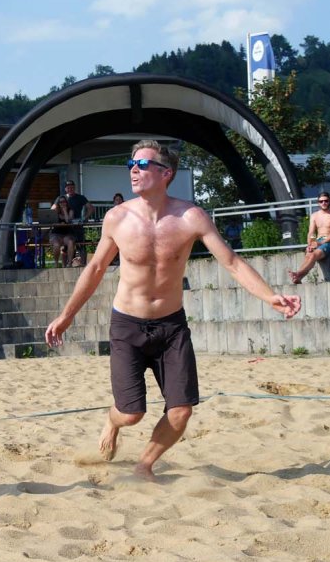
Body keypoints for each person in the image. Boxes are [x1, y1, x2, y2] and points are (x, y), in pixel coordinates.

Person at [45, 139, 301, 480]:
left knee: (180, 412)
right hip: (128, 326)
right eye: (130, 165)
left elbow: (232, 262)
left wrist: (270, 297)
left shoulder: (191, 217)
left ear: (166, 174)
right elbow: (93, 270)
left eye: (143, 164)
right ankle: (112, 420)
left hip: (171, 328)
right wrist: (66, 316)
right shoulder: (118, 218)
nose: (134, 170)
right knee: (131, 413)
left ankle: (144, 465)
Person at [288, 192, 330, 284]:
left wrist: (320, 243)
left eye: (326, 201)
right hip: (318, 240)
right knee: (309, 254)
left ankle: (298, 274)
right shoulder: (315, 215)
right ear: (318, 203)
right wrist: (310, 244)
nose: (323, 203)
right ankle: (299, 277)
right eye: (321, 201)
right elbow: (311, 232)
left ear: (329, 201)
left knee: (313, 255)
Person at [49, 195, 75, 267]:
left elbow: (68, 221)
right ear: (58, 203)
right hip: (56, 233)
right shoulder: (55, 211)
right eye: (60, 202)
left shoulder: (70, 211)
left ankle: (69, 263)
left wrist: (65, 211)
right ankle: (56, 263)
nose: (62, 203)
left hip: (67, 233)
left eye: (64, 201)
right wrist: (59, 224)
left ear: (66, 202)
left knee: (70, 242)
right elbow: (51, 222)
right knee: (56, 245)